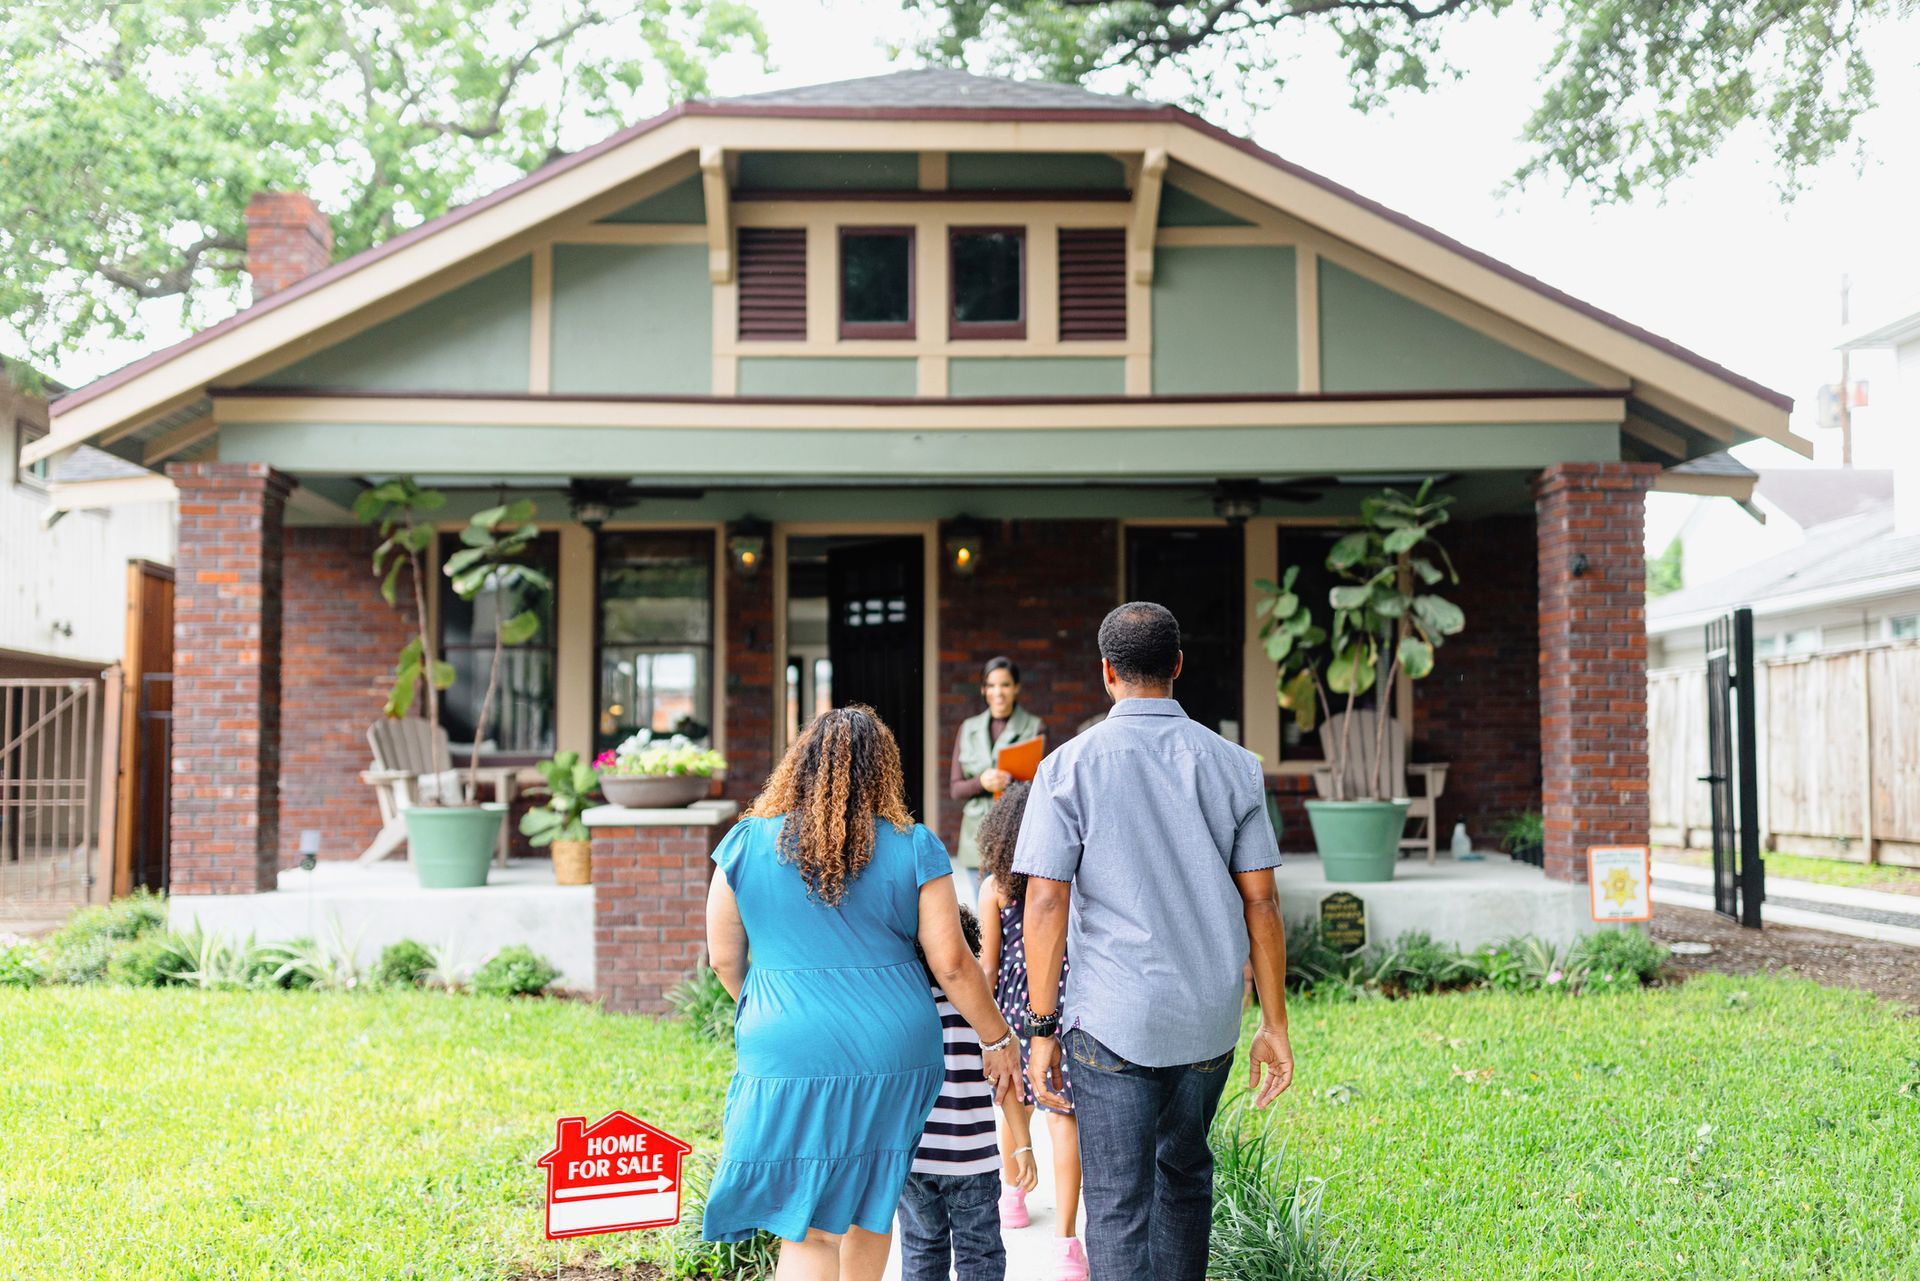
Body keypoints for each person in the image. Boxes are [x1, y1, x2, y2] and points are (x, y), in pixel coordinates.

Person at [1013, 602, 1295, 1281]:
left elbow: (1046, 898)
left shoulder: (1066, 766)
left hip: (1108, 1020)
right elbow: (1261, 898)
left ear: (1106, 671)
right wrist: (1275, 1023)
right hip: (1207, 1020)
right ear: (1177, 665)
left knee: (1116, 1201)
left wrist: (1042, 1026)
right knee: (1186, 1177)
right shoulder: (1236, 765)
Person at [703, 706, 1022, 1281]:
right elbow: (951, 963)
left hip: (785, 1044)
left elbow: (725, 959)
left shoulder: (744, 844)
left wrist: (778, 1012)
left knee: (807, 1224)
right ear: (884, 771)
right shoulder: (915, 846)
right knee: (872, 1204)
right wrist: (998, 1037)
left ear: (797, 766)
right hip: (891, 1052)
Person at [976, 781, 1087, 1281]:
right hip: (1060, 1005)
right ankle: (1066, 1242)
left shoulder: (993, 890)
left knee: (1012, 1100)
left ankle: (1012, 1196)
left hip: (1012, 1011)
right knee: (1063, 1119)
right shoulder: (1067, 881)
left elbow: (988, 967)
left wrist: (986, 1023)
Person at [897, 904, 1036, 1281]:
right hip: (972, 1161)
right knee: (980, 1254)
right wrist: (1022, 1145)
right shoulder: (981, 1013)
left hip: (915, 1161)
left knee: (922, 1251)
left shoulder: (905, 1015)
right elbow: (1007, 1082)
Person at [949, 657, 1045, 895]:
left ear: (1016, 688)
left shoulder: (1035, 727)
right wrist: (980, 782)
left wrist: (1009, 782)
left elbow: (1043, 788)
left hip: (1016, 837)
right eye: (991, 686)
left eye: (1005, 685)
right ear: (983, 690)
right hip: (976, 840)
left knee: (1013, 916)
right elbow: (955, 788)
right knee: (984, 916)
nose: (998, 693)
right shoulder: (968, 728)